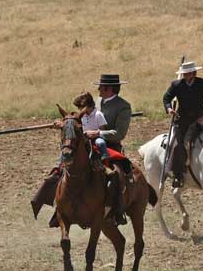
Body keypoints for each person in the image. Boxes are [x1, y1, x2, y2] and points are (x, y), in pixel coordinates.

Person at [32, 74, 132, 226]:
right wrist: (65, 123)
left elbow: (119, 133)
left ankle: (115, 211)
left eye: (101, 86)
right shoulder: (95, 101)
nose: (98, 89)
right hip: (85, 142)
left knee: (116, 175)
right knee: (62, 167)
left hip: (107, 145)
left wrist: (98, 133)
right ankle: (58, 208)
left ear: (109, 88)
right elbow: (78, 117)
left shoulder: (123, 106)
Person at [163, 61, 203, 188]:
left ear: (194, 73)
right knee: (179, 144)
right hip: (182, 120)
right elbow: (166, 98)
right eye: (184, 74)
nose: (186, 76)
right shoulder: (176, 85)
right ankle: (178, 174)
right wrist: (169, 109)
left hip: (200, 118)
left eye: (188, 73)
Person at [72, 92, 110, 161]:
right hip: (84, 138)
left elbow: (103, 130)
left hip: (96, 138)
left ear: (86, 106)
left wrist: (94, 133)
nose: (78, 109)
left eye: (79, 107)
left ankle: (105, 159)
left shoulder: (98, 115)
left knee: (101, 143)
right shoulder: (82, 116)